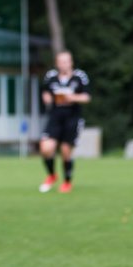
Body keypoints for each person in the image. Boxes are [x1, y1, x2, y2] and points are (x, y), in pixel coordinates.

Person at [38, 50, 91, 194]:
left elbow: (87, 97)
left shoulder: (80, 77)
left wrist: (72, 98)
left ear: (71, 62)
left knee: (66, 151)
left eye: (66, 61)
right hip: (55, 117)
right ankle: (52, 175)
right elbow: (45, 91)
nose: (64, 64)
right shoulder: (51, 77)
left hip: (72, 118)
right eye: (61, 62)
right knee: (46, 148)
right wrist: (47, 98)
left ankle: (67, 182)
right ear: (57, 63)